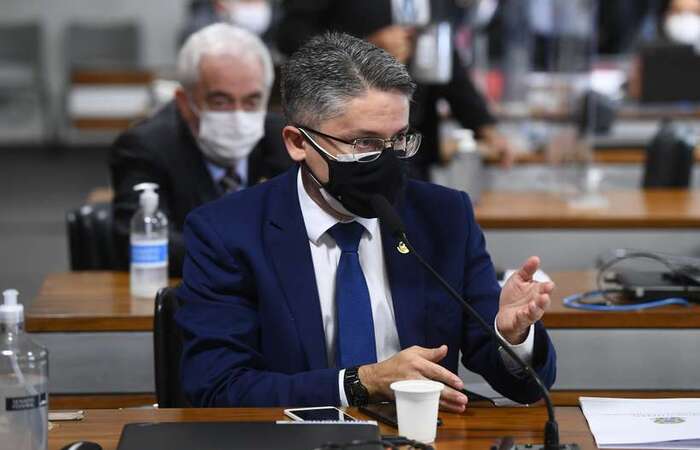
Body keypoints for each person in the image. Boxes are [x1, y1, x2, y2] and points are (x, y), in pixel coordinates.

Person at [176, 32, 556, 410]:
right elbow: (217, 387)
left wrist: (512, 336)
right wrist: (363, 383)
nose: (387, 160)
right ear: (298, 143)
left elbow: (523, 388)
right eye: (365, 143)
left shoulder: (443, 216)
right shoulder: (227, 232)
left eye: (399, 139)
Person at [110, 23, 292, 276]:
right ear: (185, 103)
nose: (238, 115)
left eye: (252, 101)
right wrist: (250, 256)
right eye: (221, 101)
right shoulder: (145, 147)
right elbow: (145, 241)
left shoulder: (286, 139)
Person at [276, 0, 517, 179]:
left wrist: (483, 124)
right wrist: (364, 48)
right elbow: (289, 35)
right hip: (351, 141)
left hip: (414, 141)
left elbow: (445, 58)